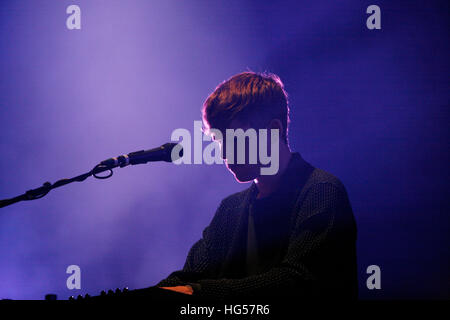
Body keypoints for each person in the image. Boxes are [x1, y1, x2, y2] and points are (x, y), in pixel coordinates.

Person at [156, 72, 358, 300]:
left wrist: (201, 292)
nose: (223, 153)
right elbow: (186, 278)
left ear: (273, 130)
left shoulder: (321, 192)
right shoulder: (230, 210)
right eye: (218, 141)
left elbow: (296, 282)